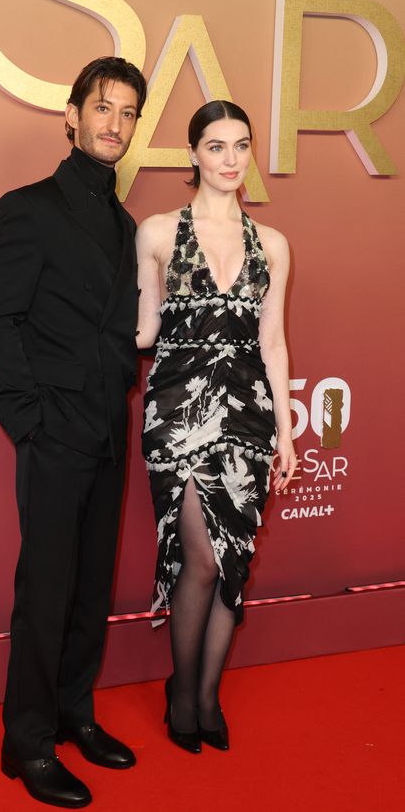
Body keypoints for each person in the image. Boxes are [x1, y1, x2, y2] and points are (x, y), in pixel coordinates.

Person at [0, 56, 147, 808]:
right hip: (53, 430)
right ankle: (28, 740)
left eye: (128, 112)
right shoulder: (28, 209)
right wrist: (30, 420)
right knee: (45, 592)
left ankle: (75, 712)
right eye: (102, 107)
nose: (115, 123)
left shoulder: (125, 222)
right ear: (72, 117)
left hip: (107, 426)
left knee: (89, 587)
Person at [136, 100, 297, 754]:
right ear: (193, 154)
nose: (231, 159)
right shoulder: (156, 232)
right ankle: (182, 693)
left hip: (248, 416)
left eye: (241, 145)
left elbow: (273, 342)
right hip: (178, 414)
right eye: (216, 146)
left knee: (233, 561)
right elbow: (144, 330)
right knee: (201, 558)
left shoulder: (273, 244)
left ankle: (206, 697)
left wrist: (286, 433)